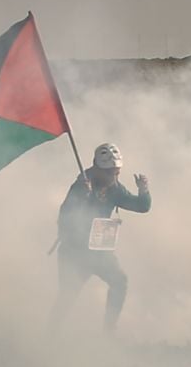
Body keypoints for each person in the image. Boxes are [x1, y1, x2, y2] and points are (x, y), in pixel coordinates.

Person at [51, 142, 151, 331]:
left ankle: (108, 330)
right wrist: (81, 197)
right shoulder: (81, 185)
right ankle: (50, 334)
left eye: (116, 171)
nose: (113, 176)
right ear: (96, 168)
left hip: (98, 250)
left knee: (119, 282)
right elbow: (65, 216)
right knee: (67, 296)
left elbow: (141, 206)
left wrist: (143, 190)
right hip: (75, 252)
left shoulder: (115, 188)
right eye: (109, 172)